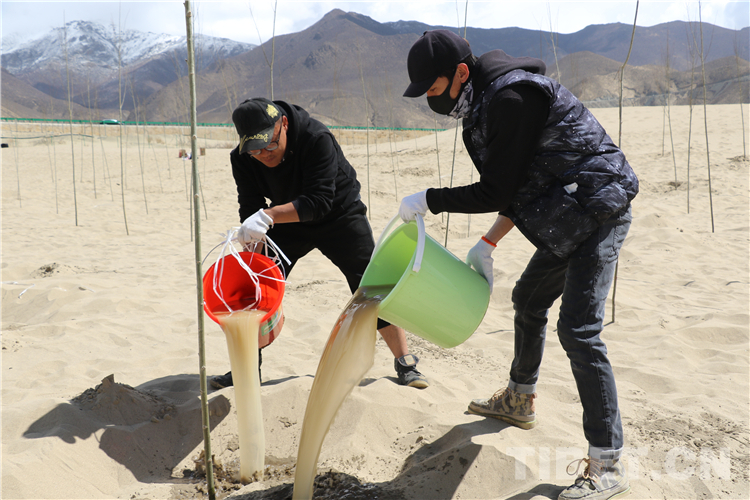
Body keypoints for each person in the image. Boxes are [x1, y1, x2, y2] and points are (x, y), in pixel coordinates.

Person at [399, 30, 638, 500]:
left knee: (579, 331)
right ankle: (519, 398)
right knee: (528, 299)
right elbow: (524, 179)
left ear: (460, 73)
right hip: (568, 213)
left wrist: (430, 199)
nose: (430, 99)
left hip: (599, 209)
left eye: (433, 88)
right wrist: (488, 242)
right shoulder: (483, 105)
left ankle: (608, 463)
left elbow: (496, 190)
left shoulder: (510, 99)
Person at [211, 97, 428, 390]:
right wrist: (252, 248)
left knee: (370, 283)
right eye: (255, 149)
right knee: (253, 284)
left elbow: (319, 202)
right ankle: (246, 367)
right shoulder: (242, 158)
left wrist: (267, 216)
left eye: (270, 145)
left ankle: (405, 361)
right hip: (286, 220)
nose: (264, 155)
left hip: (339, 214)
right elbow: (250, 205)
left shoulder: (316, 138)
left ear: (283, 124)